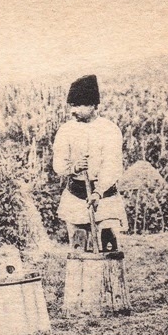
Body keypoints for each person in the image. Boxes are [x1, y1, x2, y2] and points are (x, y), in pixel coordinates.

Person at [52, 74, 128, 251]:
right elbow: (58, 165)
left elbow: (112, 165)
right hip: (76, 196)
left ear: (93, 105)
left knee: (108, 245)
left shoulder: (109, 130)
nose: (73, 110)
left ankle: (108, 279)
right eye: (72, 105)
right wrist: (74, 167)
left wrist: (98, 192)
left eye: (79, 105)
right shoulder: (66, 131)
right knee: (79, 246)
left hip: (105, 198)